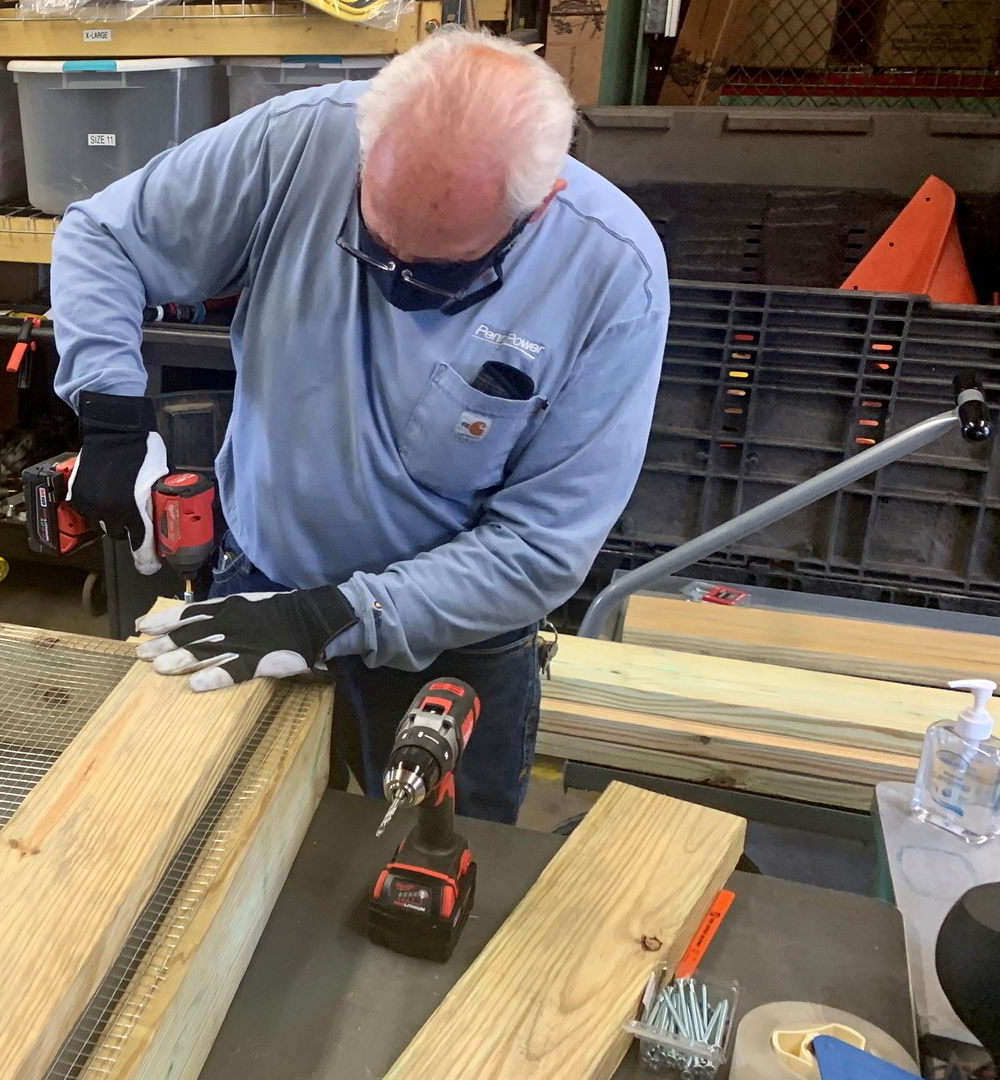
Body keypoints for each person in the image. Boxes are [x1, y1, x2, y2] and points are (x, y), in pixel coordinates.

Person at [50, 29, 670, 824]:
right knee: (213, 837)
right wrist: (110, 417)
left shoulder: (612, 275)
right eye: (375, 246)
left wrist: (334, 616)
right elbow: (102, 238)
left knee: (425, 864)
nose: (395, 283)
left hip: (452, 636)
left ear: (539, 202)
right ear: (363, 151)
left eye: (437, 272)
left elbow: (541, 548)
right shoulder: (300, 141)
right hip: (260, 583)